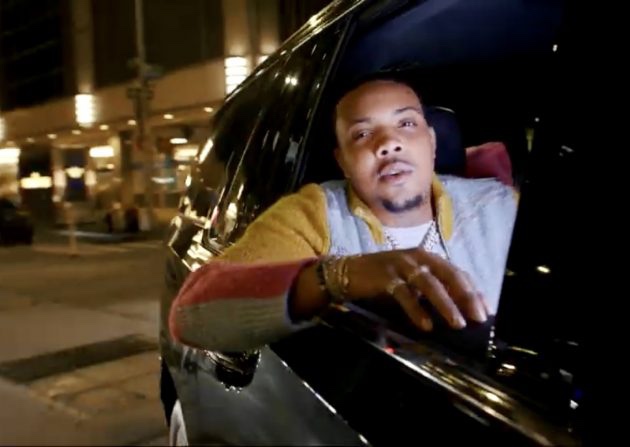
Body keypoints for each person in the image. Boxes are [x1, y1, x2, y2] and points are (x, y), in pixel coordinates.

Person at [169, 75, 517, 352]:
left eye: (407, 124)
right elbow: (191, 317)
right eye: (362, 134)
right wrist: (339, 276)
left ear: (432, 142)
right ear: (343, 162)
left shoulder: (499, 204)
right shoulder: (314, 214)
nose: (388, 143)